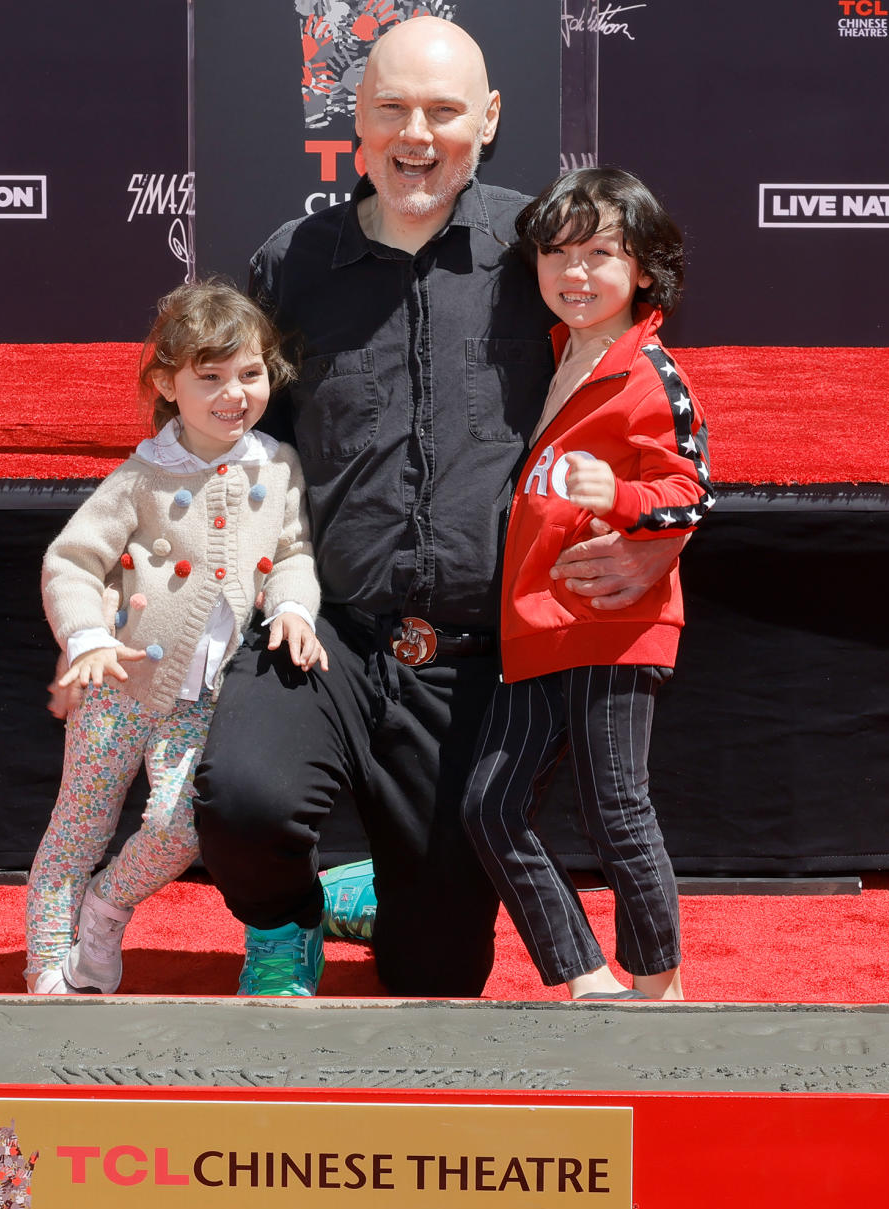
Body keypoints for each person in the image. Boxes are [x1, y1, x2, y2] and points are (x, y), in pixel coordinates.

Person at [193, 16, 685, 998]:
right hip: (323, 633)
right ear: (356, 123)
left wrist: (655, 543)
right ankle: (288, 917)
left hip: (474, 658)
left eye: (445, 111)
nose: (418, 134)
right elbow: (249, 443)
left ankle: (378, 889)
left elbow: (643, 406)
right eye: (393, 109)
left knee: (437, 976)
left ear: (490, 118)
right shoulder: (290, 262)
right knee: (243, 801)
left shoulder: (542, 256)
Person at [26, 281, 324, 995]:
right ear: (167, 382)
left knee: (182, 825)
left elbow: (292, 553)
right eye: (210, 377)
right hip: (121, 686)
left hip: (203, 700)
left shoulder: (277, 466)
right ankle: (47, 964)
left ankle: (107, 906)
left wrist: (293, 610)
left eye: (249, 374)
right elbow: (71, 561)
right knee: (78, 826)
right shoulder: (142, 475)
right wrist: (88, 636)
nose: (234, 394)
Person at [461, 167, 714, 1002]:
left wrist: (627, 500)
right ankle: (584, 976)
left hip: (614, 621)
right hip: (534, 624)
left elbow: (692, 492)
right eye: (558, 253)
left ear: (644, 268)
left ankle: (658, 988)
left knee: (618, 811)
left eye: (601, 253)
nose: (576, 273)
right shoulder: (550, 354)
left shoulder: (653, 373)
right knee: (490, 808)